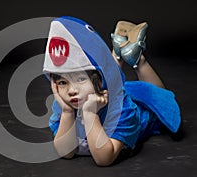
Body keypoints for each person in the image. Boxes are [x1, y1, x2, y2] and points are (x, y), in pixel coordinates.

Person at [42, 16, 182, 166]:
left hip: (136, 110)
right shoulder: (65, 106)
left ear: (100, 79)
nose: (71, 91)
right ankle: (118, 50)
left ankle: (138, 60)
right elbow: (66, 153)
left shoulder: (123, 110)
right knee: (108, 79)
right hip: (103, 88)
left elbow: (104, 158)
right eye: (63, 82)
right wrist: (67, 113)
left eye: (81, 79)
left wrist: (90, 115)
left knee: (157, 97)